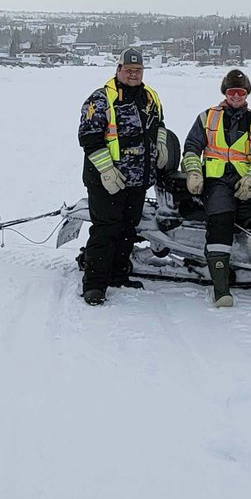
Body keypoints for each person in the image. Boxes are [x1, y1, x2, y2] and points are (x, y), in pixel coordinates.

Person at [180, 68, 251, 307]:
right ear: (224, 93)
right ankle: (221, 288)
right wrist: (194, 172)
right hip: (216, 180)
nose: (236, 96)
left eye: (240, 92)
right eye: (231, 92)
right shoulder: (207, 117)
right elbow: (192, 147)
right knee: (221, 219)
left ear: (247, 93)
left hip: (246, 177)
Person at [76, 47, 168, 305]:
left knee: (128, 228)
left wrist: (160, 145)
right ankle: (94, 284)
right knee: (106, 229)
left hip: (138, 179)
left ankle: (118, 274)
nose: (133, 75)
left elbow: (160, 125)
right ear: (118, 70)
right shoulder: (101, 99)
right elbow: (89, 138)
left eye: (137, 71)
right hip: (106, 179)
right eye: (128, 70)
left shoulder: (150, 97)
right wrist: (106, 169)